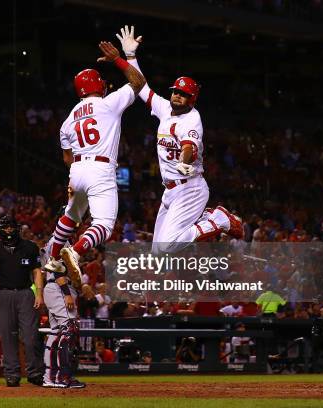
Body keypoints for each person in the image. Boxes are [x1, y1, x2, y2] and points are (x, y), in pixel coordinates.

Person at [115, 26, 243, 253]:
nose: (177, 95)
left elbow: (189, 146)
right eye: (176, 91)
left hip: (190, 188)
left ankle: (218, 220)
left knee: (167, 247)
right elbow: (141, 87)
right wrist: (130, 57)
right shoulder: (165, 108)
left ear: (192, 99)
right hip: (170, 190)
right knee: (157, 253)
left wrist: (184, 161)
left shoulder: (192, 119)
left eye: (183, 94)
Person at [43, 40, 146, 285]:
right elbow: (139, 82)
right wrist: (120, 59)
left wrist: (75, 180)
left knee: (71, 215)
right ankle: (75, 251)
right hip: (100, 168)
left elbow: (67, 158)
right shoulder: (108, 103)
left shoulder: (67, 120)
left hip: (77, 170)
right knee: (105, 224)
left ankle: (53, 257)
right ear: (98, 85)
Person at [0, 216, 45, 387]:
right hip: (4, 295)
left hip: (25, 293)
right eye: (6, 228)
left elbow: (37, 272)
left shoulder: (30, 247)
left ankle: (35, 373)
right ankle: (12, 374)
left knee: (31, 336)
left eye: (11, 227)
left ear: (17, 228)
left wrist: (39, 294)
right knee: (8, 337)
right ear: (0, 230)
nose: (9, 231)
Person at [41, 241, 86, 388]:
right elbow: (56, 269)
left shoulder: (54, 241)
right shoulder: (60, 241)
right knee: (69, 330)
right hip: (60, 288)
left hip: (54, 287)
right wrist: (67, 294)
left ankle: (50, 377)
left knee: (56, 333)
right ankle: (61, 376)